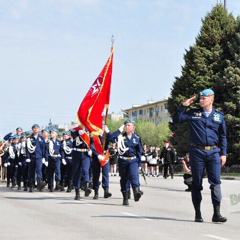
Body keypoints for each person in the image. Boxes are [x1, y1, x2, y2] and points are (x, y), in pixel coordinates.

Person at [173, 89, 227, 223]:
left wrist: (224, 153)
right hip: (197, 152)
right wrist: (184, 106)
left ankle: (217, 214)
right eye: (200, 98)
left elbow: (223, 136)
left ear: (211, 99)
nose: (201, 100)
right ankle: (198, 213)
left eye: (204, 98)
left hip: (214, 152)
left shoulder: (219, 116)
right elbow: (177, 119)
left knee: (215, 183)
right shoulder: (194, 113)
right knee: (197, 183)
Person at [105, 119, 143, 206]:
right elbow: (111, 138)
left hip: (133, 160)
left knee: (134, 176)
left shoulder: (137, 137)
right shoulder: (120, 136)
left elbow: (139, 151)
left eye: (129, 125)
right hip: (123, 160)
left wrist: (139, 163)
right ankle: (125, 198)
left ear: (134, 127)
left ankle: (136, 192)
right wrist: (118, 130)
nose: (126, 126)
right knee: (124, 180)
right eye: (125, 125)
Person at [71, 127, 92, 200]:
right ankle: (77, 192)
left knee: (85, 170)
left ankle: (86, 187)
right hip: (77, 153)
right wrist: (78, 132)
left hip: (86, 153)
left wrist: (91, 149)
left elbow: (93, 140)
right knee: (77, 173)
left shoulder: (89, 129)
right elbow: (72, 134)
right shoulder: (76, 129)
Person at [26, 124, 47, 192]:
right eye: (34, 128)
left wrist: (44, 158)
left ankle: (40, 185)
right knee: (31, 171)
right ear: (32, 129)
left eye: (37, 128)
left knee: (39, 170)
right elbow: (27, 149)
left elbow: (44, 148)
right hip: (32, 157)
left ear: (39, 129)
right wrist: (28, 157)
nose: (35, 129)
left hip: (39, 157)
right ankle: (31, 186)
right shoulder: (29, 138)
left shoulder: (41, 138)